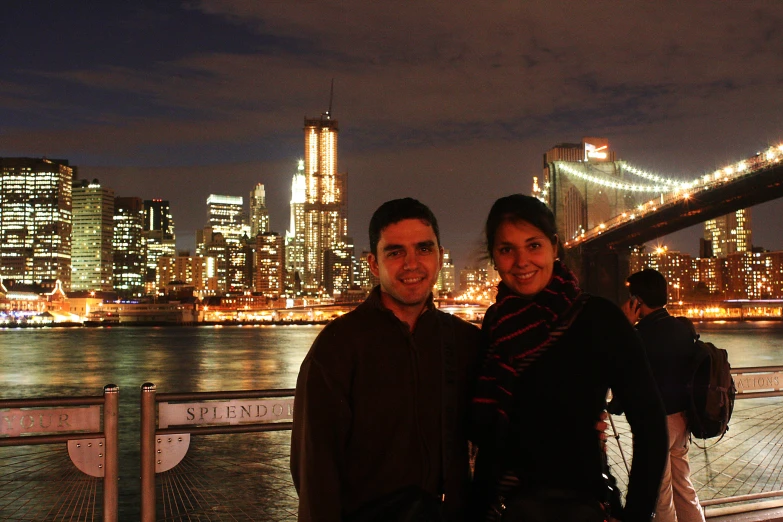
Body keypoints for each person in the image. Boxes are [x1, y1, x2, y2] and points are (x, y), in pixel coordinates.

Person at [470, 194, 668, 522]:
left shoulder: (598, 318)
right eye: (507, 249)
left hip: (581, 505)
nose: (521, 261)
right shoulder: (495, 322)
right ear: (494, 257)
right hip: (500, 509)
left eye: (533, 245)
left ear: (555, 246)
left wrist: (636, 516)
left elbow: (650, 426)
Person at [290, 198, 483, 522]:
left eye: (423, 249)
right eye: (395, 252)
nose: (412, 263)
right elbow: (315, 472)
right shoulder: (337, 348)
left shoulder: (465, 342)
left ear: (439, 257)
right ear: (374, 264)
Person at [623, 269, 706, 522]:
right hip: (682, 419)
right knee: (683, 485)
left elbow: (624, 378)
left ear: (637, 301)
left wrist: (624, 327)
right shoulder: (682, 328)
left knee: (660, 494)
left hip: (655, 423)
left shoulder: (638, 336)